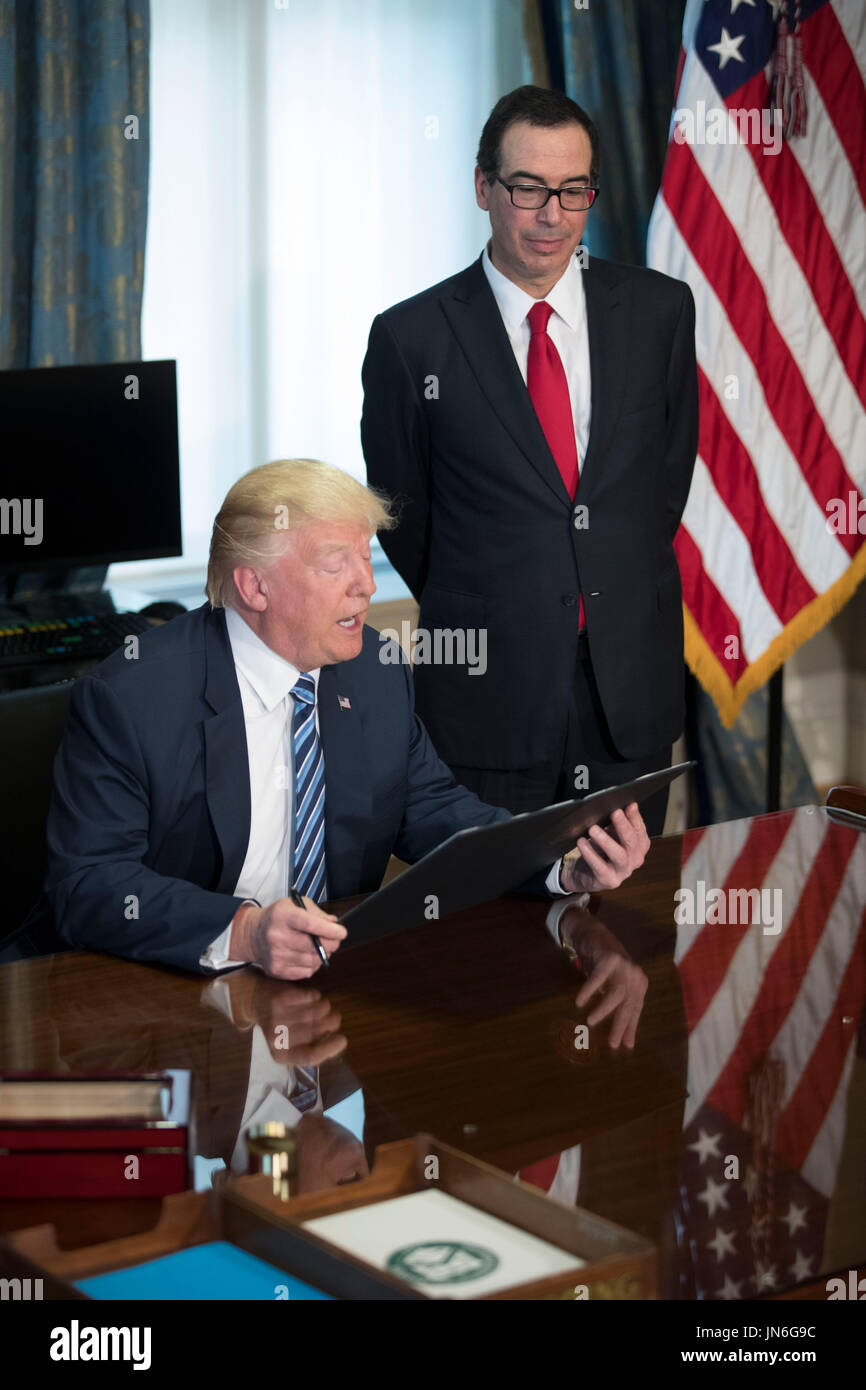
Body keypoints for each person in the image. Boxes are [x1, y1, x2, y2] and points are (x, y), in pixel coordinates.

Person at [43, 458, 650, 981]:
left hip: (331, 982)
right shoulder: (132, 699)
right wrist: (246, 932)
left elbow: (434, 811)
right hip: (170, 992)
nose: (365, 586)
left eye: (366, 557)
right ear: (254, 587)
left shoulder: (374, 671)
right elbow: (89, 884)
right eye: (336, 564)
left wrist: (562, 862)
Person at [361, 85, 698, 833]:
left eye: (574, 190)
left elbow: (664, 487)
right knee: (493, 908)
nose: (553, 214)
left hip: (628, 693)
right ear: (483, 187)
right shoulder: (411, 338)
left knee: (626, 901)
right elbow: (402, 518)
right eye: (528, 188)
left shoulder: (660, 311)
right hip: (487, 696)